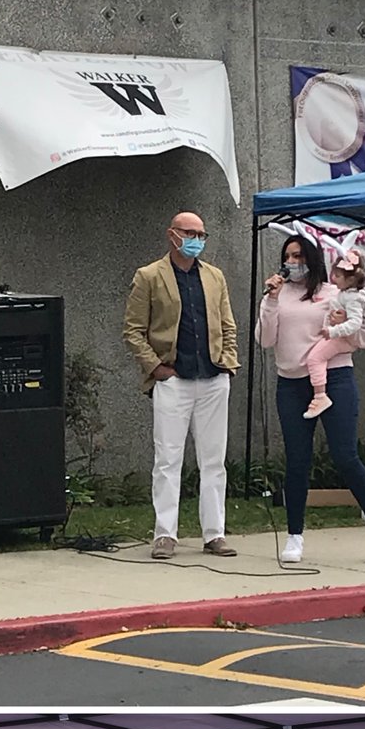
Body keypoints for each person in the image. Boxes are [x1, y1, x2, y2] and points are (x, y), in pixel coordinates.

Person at [257, 232, 365, 567]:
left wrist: (340, 324)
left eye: (299, 256)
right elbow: (265, 339)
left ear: (314, 259)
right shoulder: (277, 294)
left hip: (334, 377)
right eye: (287, 256)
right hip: (291, 383)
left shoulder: (334, 292)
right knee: (297, 460)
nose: (292, 263)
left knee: (345, 455)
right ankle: (295, 535)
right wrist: (271, 300)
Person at [122, 209, 239, 560]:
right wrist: (157, 368)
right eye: (190, 233)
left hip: (213, 377)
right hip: (173, 378)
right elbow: (132, 330)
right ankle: (165, 534)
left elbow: (227, 324)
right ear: (172, 235)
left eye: (202, 235)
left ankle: (214, 533)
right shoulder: (149, 276)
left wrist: (228, 364)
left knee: (214, 460)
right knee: (168, 459)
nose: (197, 241)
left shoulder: (215, 276)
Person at [303, 251, 365, 419]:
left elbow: (355, 323)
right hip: (340, 336)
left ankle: (320, 395)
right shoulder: (345, 294)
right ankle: (320, 395)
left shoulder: (354, 298)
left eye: (337, 275)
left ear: (350, 280)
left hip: (341, 339)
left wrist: (333, 330)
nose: (333, 279)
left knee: (315, 358)